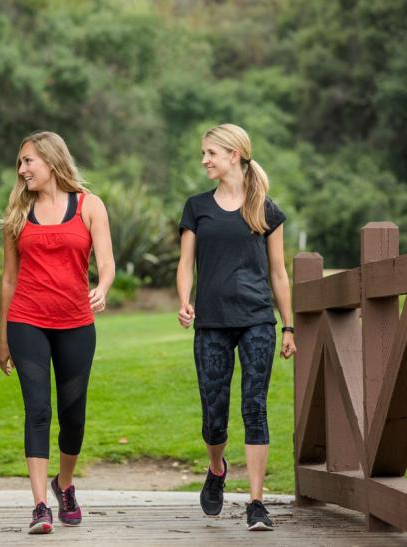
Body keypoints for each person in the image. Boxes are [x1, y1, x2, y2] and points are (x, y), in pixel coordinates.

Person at [176, 123, 296, 531]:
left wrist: (289, 327)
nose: (204, 160)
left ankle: (256, 503)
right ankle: (217, 468)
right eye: (204, 153)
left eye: (210, 152)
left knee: (254, 407)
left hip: (257, 321)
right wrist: (184, 301)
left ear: (234, 155)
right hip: (211, 322)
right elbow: (185, 264)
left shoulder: (266, 209)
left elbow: (279, 274)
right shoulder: (197, 206)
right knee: (214, 416)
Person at [0, 131, 115, 534]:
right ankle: (40, 506)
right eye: (20, 163)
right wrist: (3, 338)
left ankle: (64, 485)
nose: (22, 169)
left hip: (76, 323)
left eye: (28, 161)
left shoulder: (89, 205)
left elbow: (107, 261)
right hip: (27, 320)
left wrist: (102, 287)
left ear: (51, 161)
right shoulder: (16, 212)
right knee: (38, 410)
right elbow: (8, 280)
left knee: (73, 416)